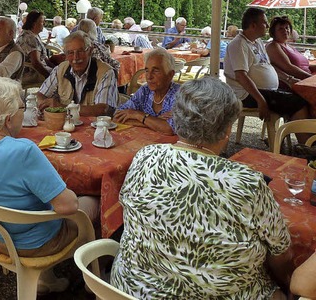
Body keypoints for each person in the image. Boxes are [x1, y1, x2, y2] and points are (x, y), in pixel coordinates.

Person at [111, 77, 293, 299]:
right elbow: (281, 256)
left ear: (177, 120)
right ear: (227, 130)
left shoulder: (145, 157)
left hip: (133, 290)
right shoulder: (248, 183)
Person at [0, 76, 99, 294]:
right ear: (8, 120)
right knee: (92, 201)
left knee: (31, 197)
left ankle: (46, 278)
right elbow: (68, 206)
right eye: (22, 107)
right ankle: (96, 279)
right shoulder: (23, 150)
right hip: (31, 244)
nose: (24, 112)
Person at [224, 7, 311, 142]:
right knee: (298, 103)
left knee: (302, 98)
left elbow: (268, 67)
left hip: (264, 91)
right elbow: (241, 76)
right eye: (264, 22)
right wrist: (260, 100)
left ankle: (298, 141)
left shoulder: (257, 41)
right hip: (247, 95)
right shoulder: (238, 44)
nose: (267, 26)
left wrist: (288, 80)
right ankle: (305, 145)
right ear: (253, 25)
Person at [37, 32, 118, 117]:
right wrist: (44, 105)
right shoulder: (61, 69)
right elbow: (41, 94)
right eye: (70, 53)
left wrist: (62, 108)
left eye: (80, 51)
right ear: (66, 55)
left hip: (95, 127)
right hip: (65, 126)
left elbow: (102, 109)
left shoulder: (106, 72)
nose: (76, 58)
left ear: (90, 51)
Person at [114, 48, 178, 135]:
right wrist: (155, 122)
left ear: (170, 74)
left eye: (155, 70)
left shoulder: (180, 95)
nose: (149, 76)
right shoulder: (145, 91)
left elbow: (170, 129)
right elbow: (118, 116)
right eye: (147, 70)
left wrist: (138, 115)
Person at [266, 15, 315, 84]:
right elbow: (289, 68)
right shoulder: (273, 46)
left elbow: (305, 66)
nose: (285, 30)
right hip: (296, 84)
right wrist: (311, 79)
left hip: (306, 80)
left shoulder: (289, 46)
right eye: (281, 28)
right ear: (273, 32)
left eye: (287, 28)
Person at [16, 10, 54, 85]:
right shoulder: (30, 38)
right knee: (63, 76)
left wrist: (55, 68)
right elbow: (36, 63)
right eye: (42, 22)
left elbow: (41, 56)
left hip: (32, 69)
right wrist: (50, 77)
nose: (44, 24)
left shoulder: (31, 34)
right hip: (32, 72)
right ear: (34, 24)